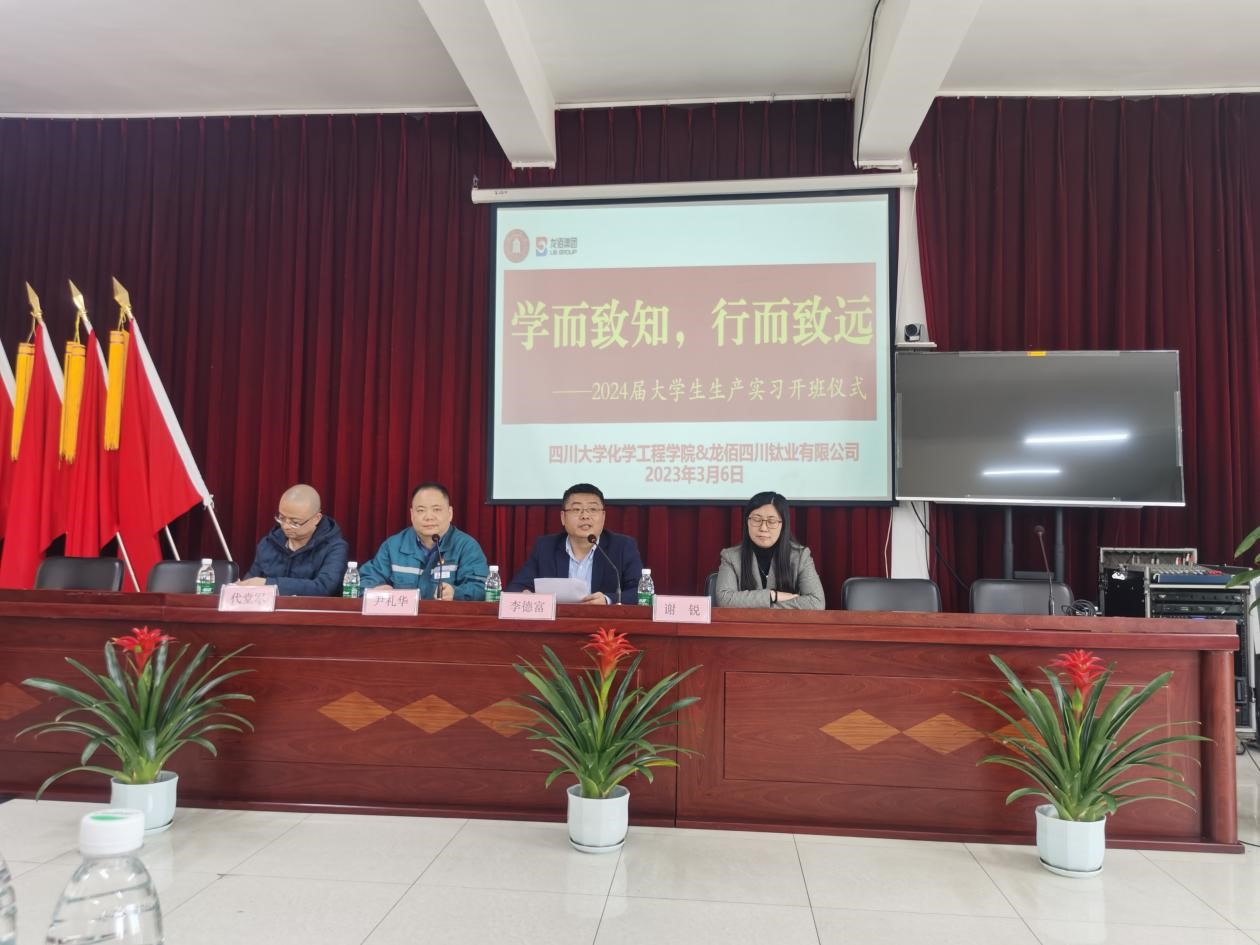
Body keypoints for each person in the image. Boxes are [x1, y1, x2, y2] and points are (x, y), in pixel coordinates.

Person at [506, 483, 643, 604]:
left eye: (593, 509)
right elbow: (516, 587)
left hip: (603, 623)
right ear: (563, 517)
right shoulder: (545, 548)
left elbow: (641, 593)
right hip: (557, 622)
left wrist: (608, 600)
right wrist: (525, 594)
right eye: (576, 509)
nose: (585, 516)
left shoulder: (622, 547)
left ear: (603, 517)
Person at [359, 482, 488, 600]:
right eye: (421, 510)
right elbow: (362, 582)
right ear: (412, 515)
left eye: (436, 509)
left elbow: (482, 589)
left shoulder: (466, 547)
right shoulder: (393, 546)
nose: (428, 517)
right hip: (403, 617)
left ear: (450, 513)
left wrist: (456, 593)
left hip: (447, 617)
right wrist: (374, 590)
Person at [714, 491, 824, 609]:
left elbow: (816, 603)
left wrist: (758, 606)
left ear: (783, 525)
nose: (763, 528)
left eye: (771, 521)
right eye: (756, 519)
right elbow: (725, 600)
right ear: (747, 522)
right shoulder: (731, 557)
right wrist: (772, 596)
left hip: (785, 622)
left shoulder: (800, 556)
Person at [239, 484, 349, 596]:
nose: (285, 526)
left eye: (295, 522)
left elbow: (324, 587)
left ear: (317, 518)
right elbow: (251, 582)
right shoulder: (268, 543)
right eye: (281, 518)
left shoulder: (334, 548)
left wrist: (269, 584)